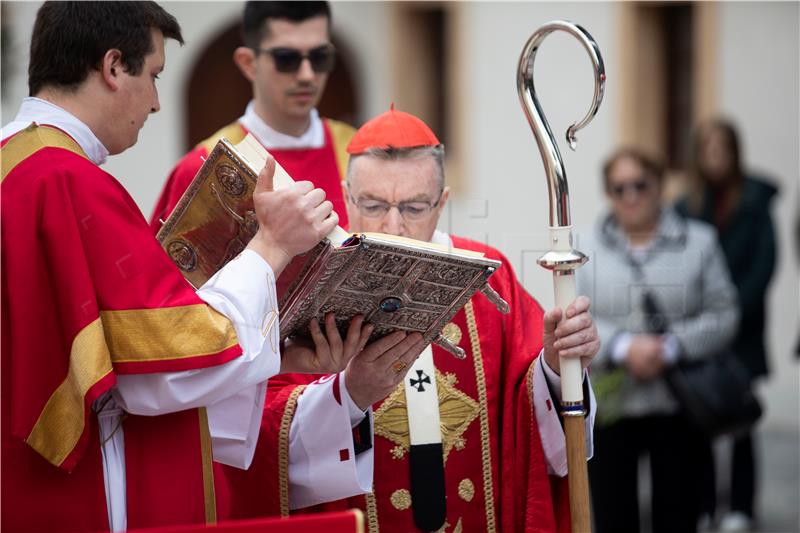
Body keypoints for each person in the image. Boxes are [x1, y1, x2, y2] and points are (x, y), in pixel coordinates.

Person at [0, 3, 419, 531]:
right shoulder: (66, 181)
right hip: (78, 497)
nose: (156, 103)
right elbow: (159, 374)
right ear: (112, 67)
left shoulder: (18, 165)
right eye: (152, 76)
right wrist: (271, 247)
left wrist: (278, 350)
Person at [198, 107, 599, 532]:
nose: (394, 225)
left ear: (442, 202)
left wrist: (557, 366)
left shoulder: (488, 277)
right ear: (347, 196)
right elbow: (259, 437)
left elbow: (527, 418)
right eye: (372, 204)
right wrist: (348, 395)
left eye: (413, 207)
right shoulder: (300, 280)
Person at [577, 148, 740, 533]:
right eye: (619, 188)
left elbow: (725, 313)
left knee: (679, 513)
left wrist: (671, 346)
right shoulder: (585, 248)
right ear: (608, 193)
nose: (630, 196)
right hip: (613, 403)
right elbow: (574, 312)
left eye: (640, 185)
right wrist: (622, 348)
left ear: (659, 186)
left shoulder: (699, 242)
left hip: (678, 403)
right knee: (614, 515)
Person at [150, 1, 355, 232]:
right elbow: (162, 267)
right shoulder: (204, 167)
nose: (307, 75)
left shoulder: (360, 154)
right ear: (248, 63)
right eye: (287, 58)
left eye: (319, 57)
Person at [676, 119, 779, 532]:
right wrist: (702, 319)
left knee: (740, 421)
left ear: (734, 151)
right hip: (699, 329)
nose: (715, 156)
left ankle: (740, 506)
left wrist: (732, 312)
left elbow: (765, 264)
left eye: (722, 148)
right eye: (708, 147)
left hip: (743, 330)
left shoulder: (754, 201)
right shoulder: (687, 205)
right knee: (699, 420)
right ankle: (703, 504)